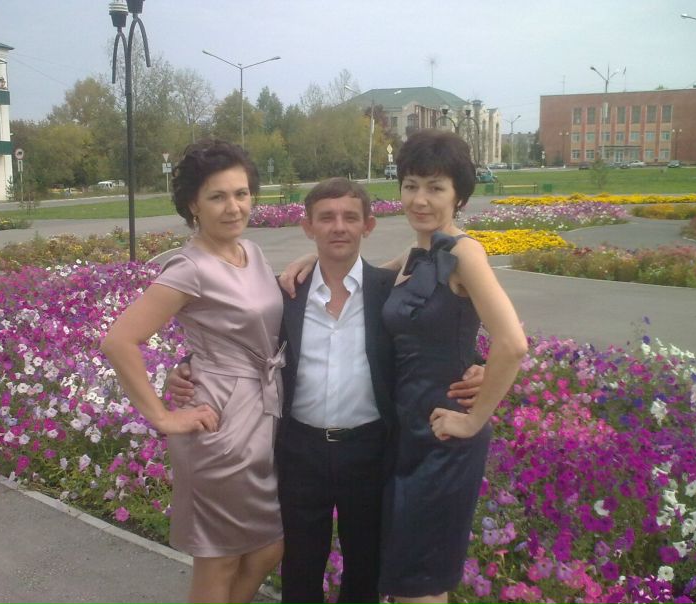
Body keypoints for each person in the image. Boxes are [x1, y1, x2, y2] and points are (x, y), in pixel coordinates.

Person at [166, 177, 484, 604]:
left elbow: (432, 337)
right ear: (307, 227)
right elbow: (236, 339)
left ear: (368, 226)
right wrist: (186, 367)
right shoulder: (284, 293)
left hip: (369, 449)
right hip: (301, 450)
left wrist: (477, 366)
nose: (339, 227)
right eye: (326, 218)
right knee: (300, 568)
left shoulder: (388, 290)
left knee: (364, 571)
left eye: (350, 217)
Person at [281, 130, 527, 603]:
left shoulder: (464, 253)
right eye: (411, 185)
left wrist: (474, 419)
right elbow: (365, 273)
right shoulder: (419, 255)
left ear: (459, 195)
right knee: (405, 578)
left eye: (435, 187)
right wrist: (312, 257)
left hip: (442, 437)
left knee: (420, 584)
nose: (420, 199)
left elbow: (513, 343)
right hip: (406, 437)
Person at [101, 139, 285, 604]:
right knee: (220, 559)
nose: (233, 207)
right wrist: (163, 417)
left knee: (267, 550)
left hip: (263, 417)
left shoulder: (251, 253)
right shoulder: (190, 267)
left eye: (241, 193)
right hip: (220, 425)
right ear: (193, 206)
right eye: (217, 196)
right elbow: (119, 341)